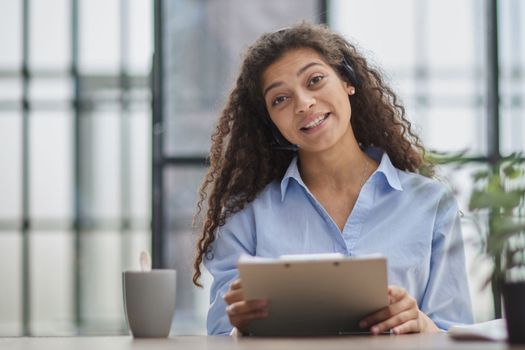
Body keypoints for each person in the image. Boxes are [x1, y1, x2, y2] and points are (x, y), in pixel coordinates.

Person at [192, 22, 474, 336]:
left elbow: (457, 334)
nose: (303, 103)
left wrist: (422, 325)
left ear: (347, 81)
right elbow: (219, 335)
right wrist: (240, 327)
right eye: (280, 99)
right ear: (271, 123)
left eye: (315, 80)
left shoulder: (429, 203)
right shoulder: (245, 214)